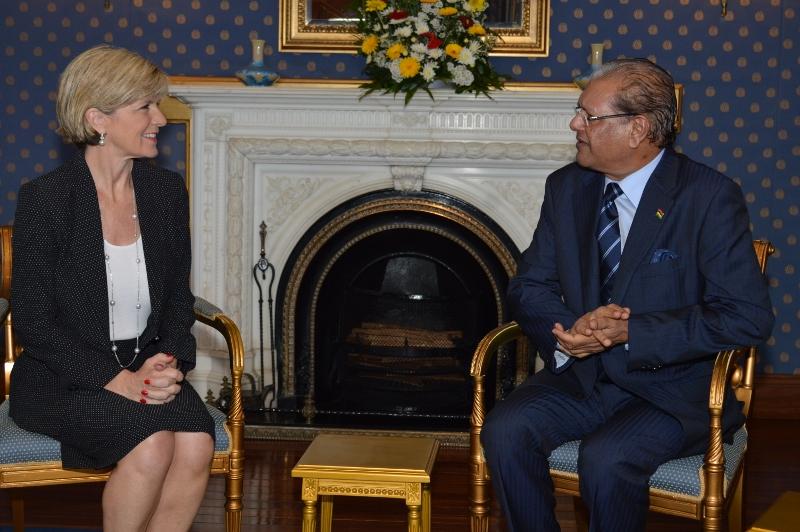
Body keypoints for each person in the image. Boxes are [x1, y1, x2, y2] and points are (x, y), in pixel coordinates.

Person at [481, 58, 774, 531]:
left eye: (588, 116)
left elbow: (746, 317)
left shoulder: (707, 196)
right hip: (582, 377)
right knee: (505, 429)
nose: (575, 124)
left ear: (637, 128)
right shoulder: (567, 187)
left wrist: (630, 332)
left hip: (671, 389)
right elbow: (530, 285)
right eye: (579, 112)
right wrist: (566, 331)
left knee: (607, 459)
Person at [9, 45, 215, 531]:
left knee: (196, 442)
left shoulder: (164, 192)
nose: (160, 119)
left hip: (145, 365)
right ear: (97, 117)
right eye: (145, 106)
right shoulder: (47, 199)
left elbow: (177, 302)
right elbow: (35, 321)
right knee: (152, 443)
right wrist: (118, 379)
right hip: (63, 379)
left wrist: (166, 361)